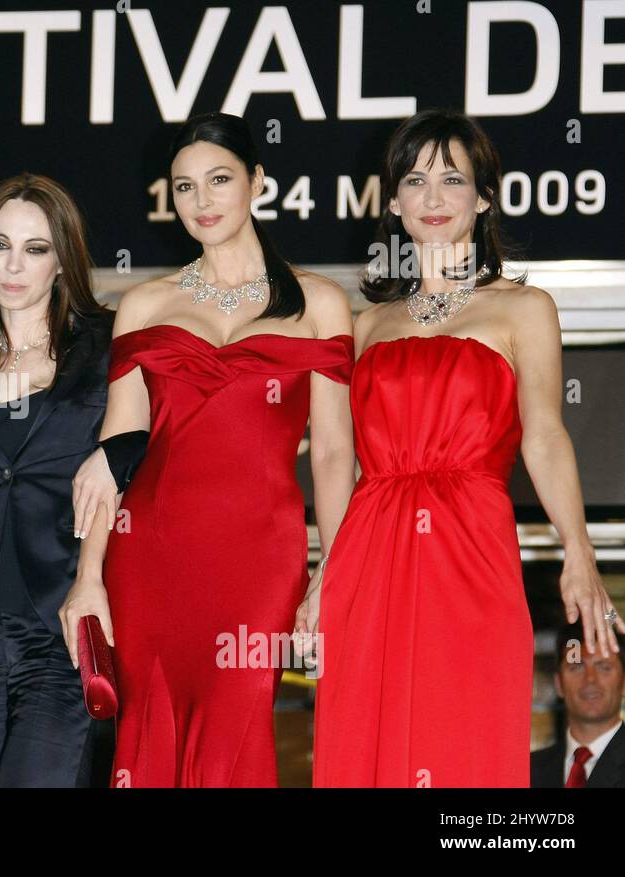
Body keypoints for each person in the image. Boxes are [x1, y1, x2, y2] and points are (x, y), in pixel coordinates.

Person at [312, 109, 623, 787]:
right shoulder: (366, 324)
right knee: (364, 733)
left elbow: (544, 433)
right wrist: (322, 573)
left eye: (452, 178)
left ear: (484, 197)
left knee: (464, 734)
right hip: (371, 550)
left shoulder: (522, 308)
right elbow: (345, 461)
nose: (431, 197)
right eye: (414, 179)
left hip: (472, 543)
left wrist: (579, 550)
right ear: (391, 200)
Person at [60, 112, 356, 787]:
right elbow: (117, 452)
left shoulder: (320, 302)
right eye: (185, 187)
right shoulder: (144, 304)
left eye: (219, 180)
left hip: (259, 554)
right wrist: (89, 575)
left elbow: (334, 454)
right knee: (147, 729)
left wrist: (332, 571)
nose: (202, 201)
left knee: (236, 728)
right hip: (150, 554)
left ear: (257, 181)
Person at [0, 173, 113, 787]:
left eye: (35, 249)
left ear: (63, 260)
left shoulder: (105, 351)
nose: (13, 265)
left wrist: (114, 458)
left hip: (60, 622)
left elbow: (145, 449)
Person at [531, 623, 625, 787]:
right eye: (576, 667)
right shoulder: (528, 770)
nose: (590, 679)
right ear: (559, 683)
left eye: (604, 667)